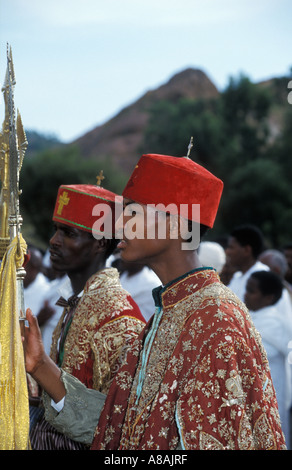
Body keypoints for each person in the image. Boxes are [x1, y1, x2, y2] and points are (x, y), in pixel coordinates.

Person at [24, 153, 286, 450]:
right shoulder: (167, 312)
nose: (119, 223)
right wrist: (41, 365)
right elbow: (118, 427)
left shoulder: (216, 321)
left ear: (175, 226)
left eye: (133, 213)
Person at [29, 183, 145, 449]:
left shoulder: (119, 320)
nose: (53, 241)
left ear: (100, 244)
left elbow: (115, 421)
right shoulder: (79, 299)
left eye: (68, 233)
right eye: (56, 230)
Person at [244, 270, 291, 445]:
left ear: (268, 298)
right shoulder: (250, 317)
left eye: (251, 291)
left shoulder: (276, 323)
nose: (245, 294)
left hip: (272, 393)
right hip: (251, 393)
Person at [226, 224, 269, 302]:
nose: (227, 252)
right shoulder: (237, 276)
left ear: (246, 250)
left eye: (231, 247)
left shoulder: (263, 276)